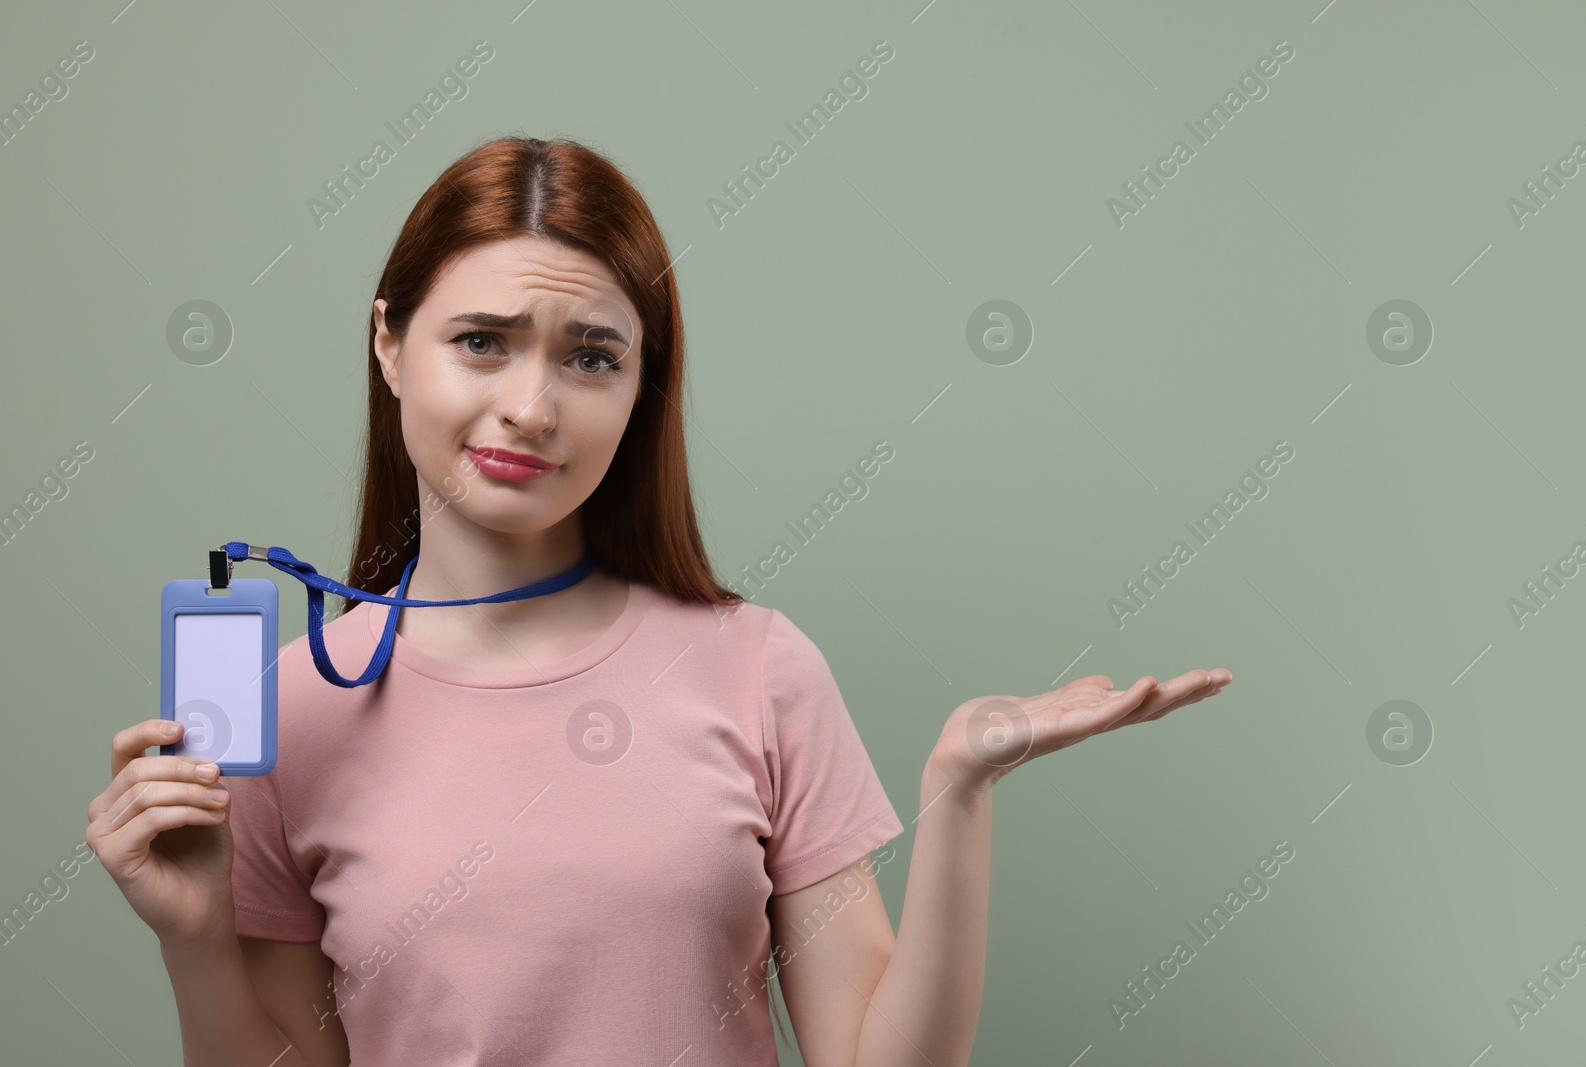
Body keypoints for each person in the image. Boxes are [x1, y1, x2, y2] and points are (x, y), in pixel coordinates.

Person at [85, 135, 1231, 1067]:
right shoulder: (285, 713)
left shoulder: (759, 668)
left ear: (642, 389)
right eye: (479, 342)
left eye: (591, 358)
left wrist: (958, 787)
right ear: (388, 345)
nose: (531, 405)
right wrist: (195, 940)